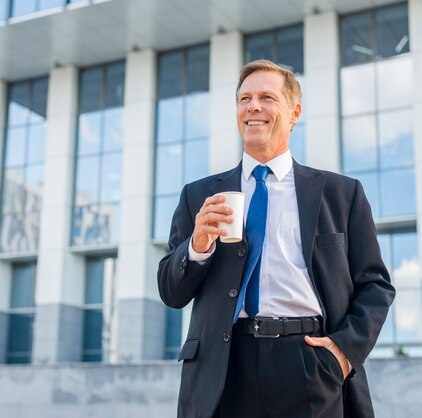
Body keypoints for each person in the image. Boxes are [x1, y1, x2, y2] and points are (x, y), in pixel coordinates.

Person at [157, 59, 395, 418]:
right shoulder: (200, 195)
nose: (253, 107)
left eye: (266, 97)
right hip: (224, 369)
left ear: (294, 111)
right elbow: (171, 292)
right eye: (244, 99)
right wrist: (197, 246)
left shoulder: (341, 194)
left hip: (310, 364)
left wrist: (342, 353)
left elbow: (376, 286)